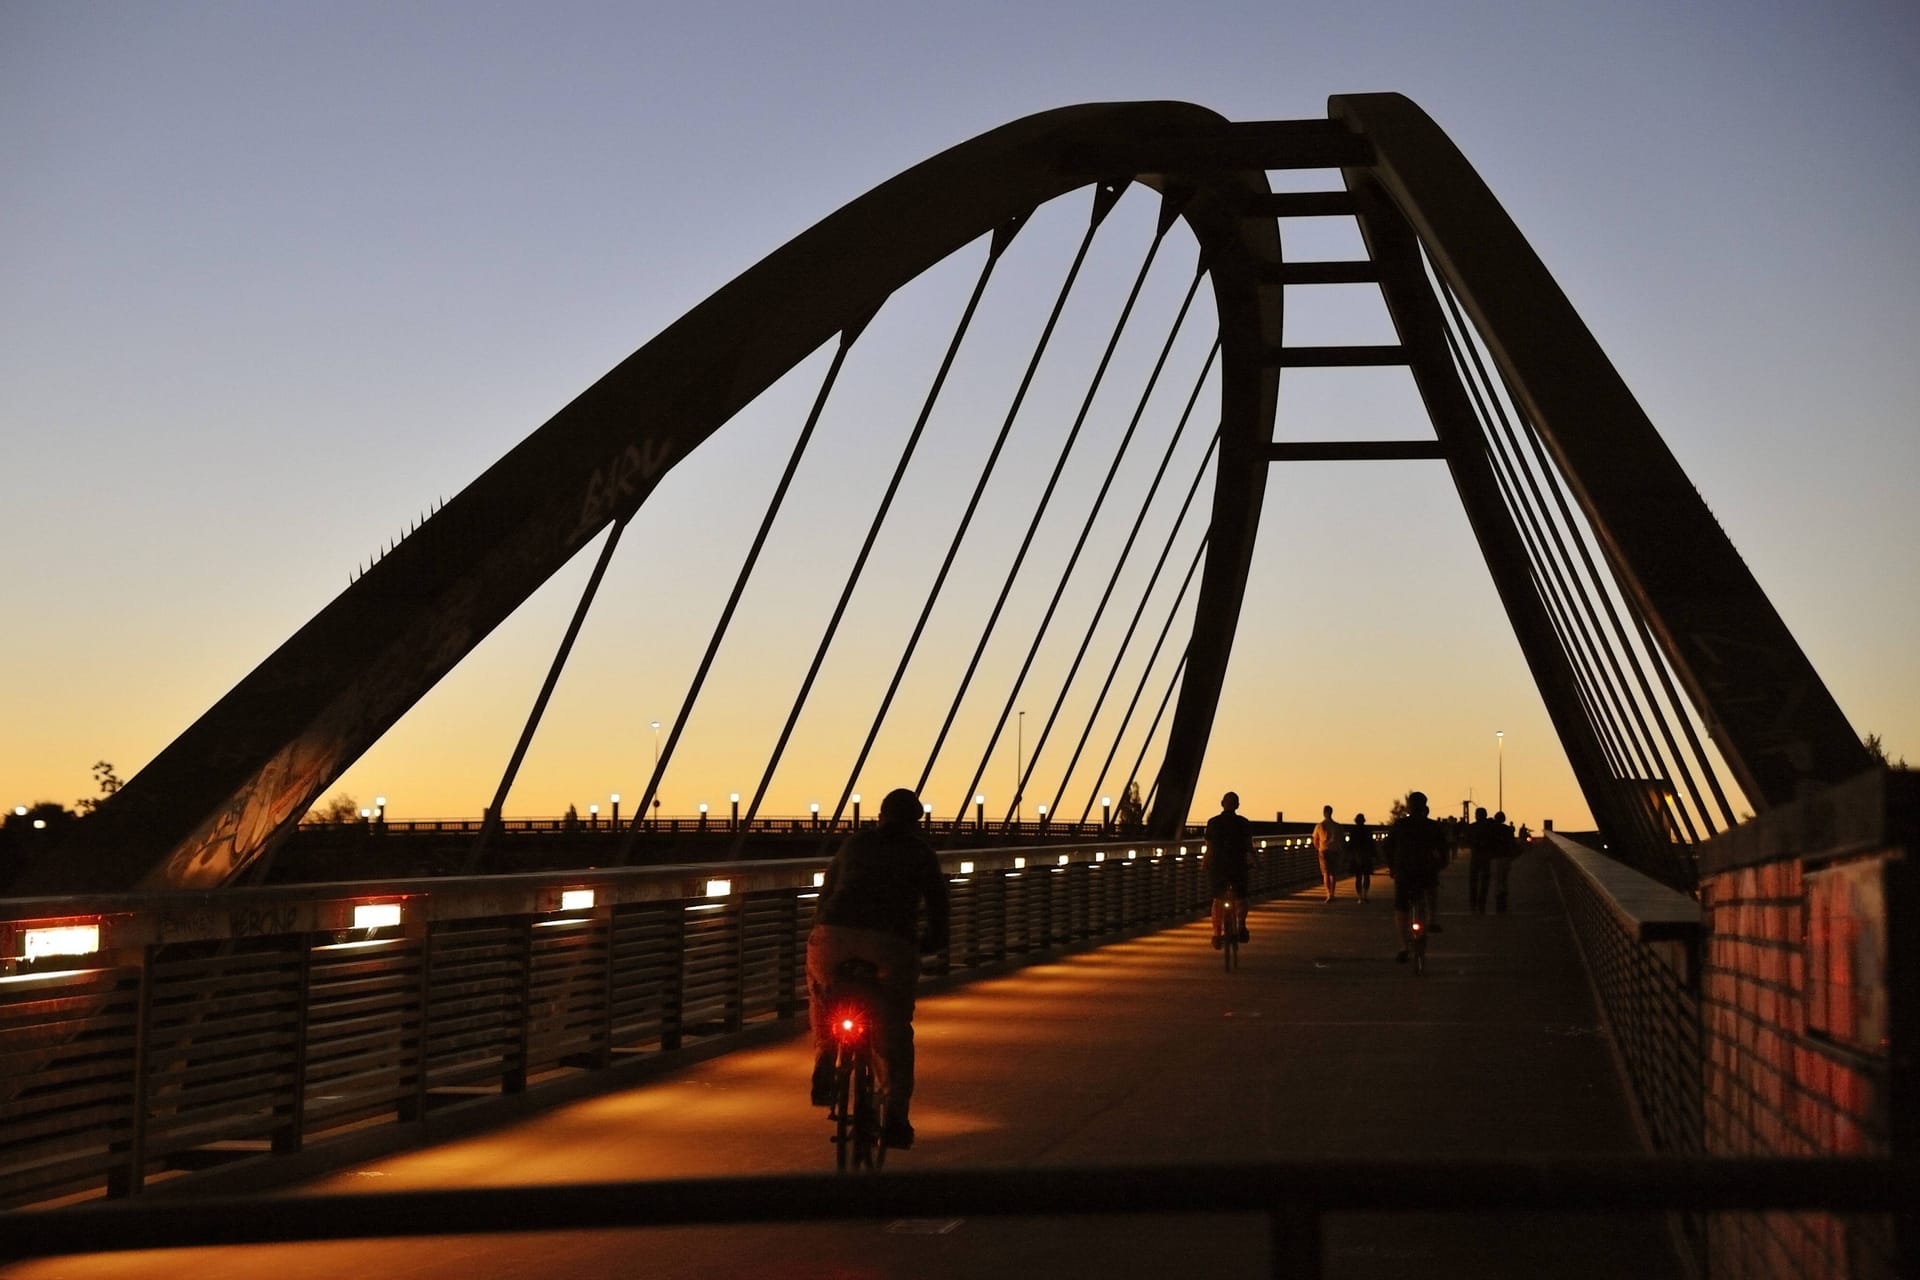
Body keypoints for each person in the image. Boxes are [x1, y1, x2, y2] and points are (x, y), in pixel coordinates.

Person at [806, 787, 950, 1150]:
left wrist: (822, 930)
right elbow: (938, 907)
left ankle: (825, 1051)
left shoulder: (854, 844)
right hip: (889, 943)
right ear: (917, 822)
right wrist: (933, 941)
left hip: (834, 935)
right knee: (895, 1027)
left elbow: (826, 894)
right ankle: (897, 1118)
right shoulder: (921, 853)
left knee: (821, 989)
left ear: (880, 814)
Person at [1386, 790, 1447, 963]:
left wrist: (1392, 867)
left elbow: (1388, 847)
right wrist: (1441, 864)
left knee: (1401, 907)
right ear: (1425, 807)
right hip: (1426, 869)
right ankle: (1432, 918)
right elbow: (1443, 849)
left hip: (1404, 871)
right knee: (1432, 889)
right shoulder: (1433, 826)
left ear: (1409, 807)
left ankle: (1403, 946)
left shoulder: (1400, 825)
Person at [1204, 791, 1253, 949]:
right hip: (1238, 866)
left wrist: (1204, 863)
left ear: (1222, 803)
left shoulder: (1213, 823)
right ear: (1237, 805)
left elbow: (1209, 848)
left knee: (1217, 900)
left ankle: (1217, 935)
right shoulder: (1244, 823)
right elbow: (1249, 847)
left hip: (1218, 868)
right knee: (1242, 897)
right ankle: (1241, 927)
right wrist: (1257, 863)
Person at [1467, 805, 1500, 913]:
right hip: (1486, 856)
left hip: (1476, 856)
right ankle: (1481, 903)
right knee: (1484, 882)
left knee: (1474, 881)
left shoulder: (1472, 827)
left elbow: (1468, 840)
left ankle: (1473, 903)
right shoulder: (1490, 827)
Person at [1311, 804, 1343, 903]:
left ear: (1324, 813)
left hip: (1324, 850)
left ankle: (1328, 893)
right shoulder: (1337, 826)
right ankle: (1333, 893)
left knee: (1326, 873)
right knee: (1333, 873)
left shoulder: (1319, 826)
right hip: (1335, 850)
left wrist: (1318, 848)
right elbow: (1341, 839)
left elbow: (1315, 839)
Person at [1490, 811, 1519, 912]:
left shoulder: (1492, 829)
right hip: (1506, 857)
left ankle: (1499, 898)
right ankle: (1504, 897)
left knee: (1498, 879)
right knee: (1504, 879)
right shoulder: (1508, 830)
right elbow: (1513, 844)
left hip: (1496, 857)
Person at [1348, 812, 1373, 903]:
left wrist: (1349, 855)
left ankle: (1360, 897)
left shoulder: (1353, 831)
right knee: (1366, 876)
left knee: (1358, 877)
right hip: (1366, 855)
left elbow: (1350, 845)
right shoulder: (1368, 830)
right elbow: (1371, 844)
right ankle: (1365, 895)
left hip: (1356, 855)